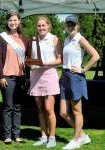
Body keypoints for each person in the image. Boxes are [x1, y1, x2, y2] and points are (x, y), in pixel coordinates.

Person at [60, 15, 100, 150]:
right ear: (66, 26)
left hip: (75, 77)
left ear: (77, 25)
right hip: (64, 76)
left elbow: (95, 55)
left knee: (77, 111)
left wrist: (83, 69)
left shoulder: (80, 39)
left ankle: (76, 140)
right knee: (63, 112)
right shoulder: (66, 40)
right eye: (68, 24)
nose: (70, 26)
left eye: (73, 24)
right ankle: (82, 136)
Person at [27, 16, 62, 148]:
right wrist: (31, 64)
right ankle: (43, 136)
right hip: (36, 75)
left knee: (49, 108)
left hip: (49, 74)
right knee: (40, 108)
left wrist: (45, 63)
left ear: (48, 26)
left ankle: (52, 137)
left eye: (43, 25)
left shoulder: (54, 39)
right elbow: (31, 58)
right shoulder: (33, 40)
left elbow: (59, 60)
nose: (41, 28)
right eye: (39, 26)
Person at [0, 10, 29, 144]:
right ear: (7, 22)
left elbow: (28, 59)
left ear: (19, 21)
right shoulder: (2, 38)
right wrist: (1, 76)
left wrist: (28, 76)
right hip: (7, 76)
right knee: (8, 106)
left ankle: (17, 135)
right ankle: (7, 135)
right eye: (10, 20)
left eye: (15, 20)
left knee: (17, 107)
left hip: (21, 77)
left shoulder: (25, 39)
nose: (13, 22)